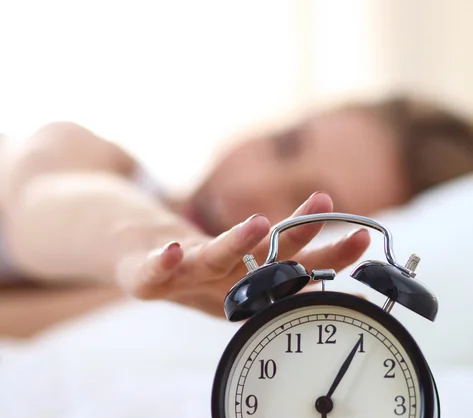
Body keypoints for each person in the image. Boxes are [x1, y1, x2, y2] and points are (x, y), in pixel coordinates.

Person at [0, 94, 472, 318]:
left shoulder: (180, 292)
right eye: (283, 144)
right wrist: (157, 246)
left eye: (306, 205)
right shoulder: (97, 159)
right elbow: (39, 204)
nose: (252, 185)